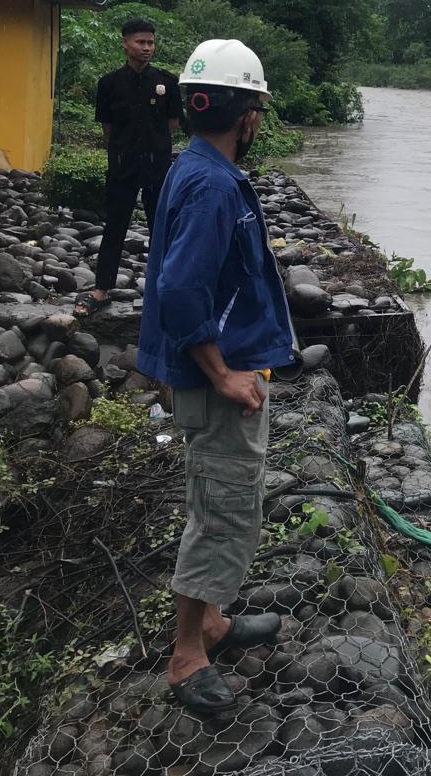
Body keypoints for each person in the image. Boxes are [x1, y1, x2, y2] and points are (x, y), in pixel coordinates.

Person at [137, 39, 296, 714]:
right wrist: (222, 372)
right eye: (257, 108)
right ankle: (185, 656)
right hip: (213, 379)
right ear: (248, 116)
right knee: (224, 510)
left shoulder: (197, 167)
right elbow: (179, 291)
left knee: (217, 499)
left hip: (208, 369)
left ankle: (211, 623)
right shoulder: (210, 183)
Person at [75, 16, 183, 317]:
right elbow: (107, 127)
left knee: (161, 228)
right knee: (115, 227)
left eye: (150, 42)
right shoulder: (109, 84)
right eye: (140, 42)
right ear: (125, 44)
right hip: (122, 166)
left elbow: (172, 124)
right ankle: (101, 289)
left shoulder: (167, 82)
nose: (147, 48)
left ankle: (165, 288)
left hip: (157, 168)